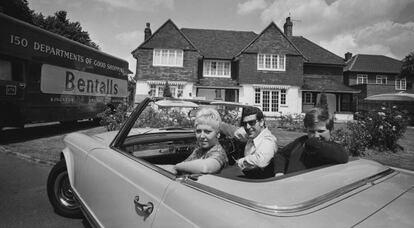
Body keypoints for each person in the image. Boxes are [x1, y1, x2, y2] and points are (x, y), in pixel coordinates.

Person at [274, 107, 348, 176]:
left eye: (321, 131)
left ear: (330, 130)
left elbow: (342, 156)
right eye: (312, 131)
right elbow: (281, 154)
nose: (316, 135)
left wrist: (313, 144)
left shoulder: (333, 148)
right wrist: (279, 172)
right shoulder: (300, 142)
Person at [163, 107, 228, 174]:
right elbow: (185, 163)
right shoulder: (200, 149)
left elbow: (205, 168)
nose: (202, 136)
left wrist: (176, 167)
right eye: (198, 131)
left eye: (207, 132)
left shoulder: (219, 154)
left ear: (218, 134)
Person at [222, 107, 277, 178]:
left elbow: (261, 161)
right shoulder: (253, 134)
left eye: (252, 122)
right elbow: (235, 131)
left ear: (261, 122)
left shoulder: (268, 140)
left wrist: (239, 162)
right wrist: (219, 126)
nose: (247, 127)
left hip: (259, 182)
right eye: (245, 124)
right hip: (247, 176)